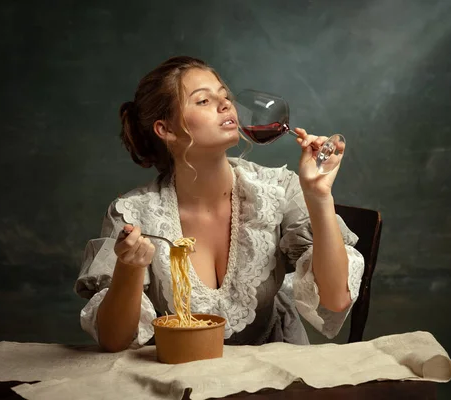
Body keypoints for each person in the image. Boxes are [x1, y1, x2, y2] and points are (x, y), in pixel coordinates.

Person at [74, 56, 365, 352]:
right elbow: (114, 341)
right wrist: (129, 269)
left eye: (225, 96)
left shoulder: (278, 190)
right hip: (179, 373)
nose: (226, 105)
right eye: (203, 101)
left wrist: (318, 196)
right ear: (166, 130)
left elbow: (335, 300)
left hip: (271, 374)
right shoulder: (133, 214)